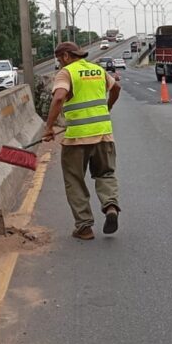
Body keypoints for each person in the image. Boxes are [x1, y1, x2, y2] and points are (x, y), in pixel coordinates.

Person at [43, 41, 122, 240]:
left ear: (67, 56)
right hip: (104, 134)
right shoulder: (97, 70)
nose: (60, 63)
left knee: (74, 181)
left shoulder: (67, 72)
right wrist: (107, 107)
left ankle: (84, 227)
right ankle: (110, 206)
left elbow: (59, 97)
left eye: (60, 59)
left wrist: (49, 127)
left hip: (77, 138)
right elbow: (116, 88)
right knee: (105, 174)